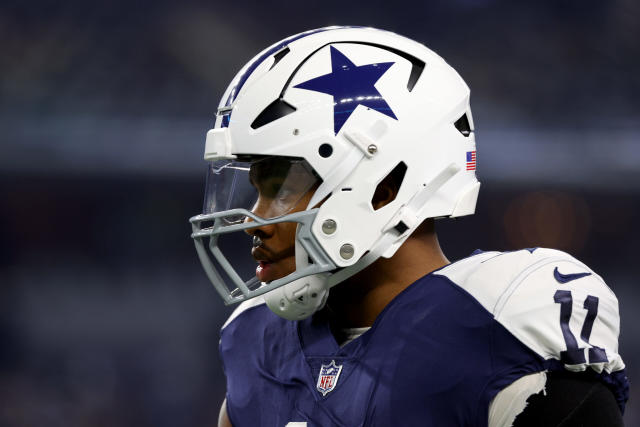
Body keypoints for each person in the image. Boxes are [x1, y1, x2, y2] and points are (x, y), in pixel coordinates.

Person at [189, 26, 629, 426]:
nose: (255, 221)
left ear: (383, 185)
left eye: (281, 187)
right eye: (257, 192)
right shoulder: (255, 340)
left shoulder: (498, 326)